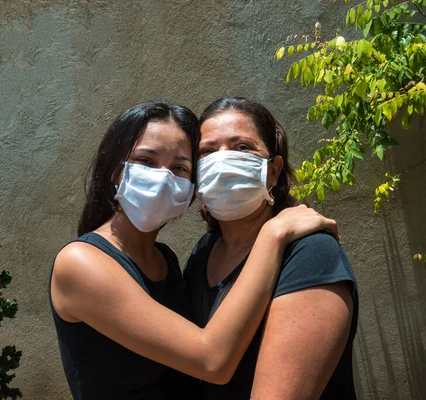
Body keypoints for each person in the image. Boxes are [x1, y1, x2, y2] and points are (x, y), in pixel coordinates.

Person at [49, 100, 339, 399]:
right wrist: (274, 233)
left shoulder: (167, 262)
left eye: (179, 167)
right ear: (114, 170)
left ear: (191, 185)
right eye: (146, 161)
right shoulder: (81, 262)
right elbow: (211, 360)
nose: (163, 177)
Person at [184, 97, 358, 400]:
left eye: (242, 147)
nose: (222, 161)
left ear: (274, 171)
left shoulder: (311, 254)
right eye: (207, 151)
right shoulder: (204, 252)